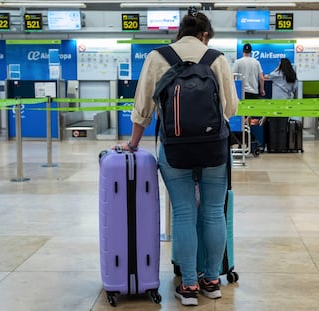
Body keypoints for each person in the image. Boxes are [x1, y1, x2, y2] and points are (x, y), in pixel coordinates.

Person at [116, 7, 239, 307]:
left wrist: (133, 143)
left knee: (184, 212)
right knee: (212, 212)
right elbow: (231, 109)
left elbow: (142, 107)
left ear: (179, 32)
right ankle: (212, 280)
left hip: (174, 148)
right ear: (205, 34)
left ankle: (188, 286)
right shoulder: (217, 58)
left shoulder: (157, 58)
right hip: (214, 148)